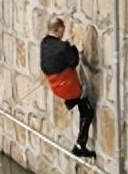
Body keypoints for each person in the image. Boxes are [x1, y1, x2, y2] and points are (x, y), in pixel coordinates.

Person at [40, 17, 97, 158]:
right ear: (58, 29)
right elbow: (74, 61)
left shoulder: (44, 43)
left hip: (55, 87)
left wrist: (65, 46)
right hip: (68, 87)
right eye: (62, 30)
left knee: (83, 106)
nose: (63, 32)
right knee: (88, 110)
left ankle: (80, 145)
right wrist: (72, 47)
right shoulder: (63, 47)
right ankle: (80, 146)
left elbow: (53, 58)